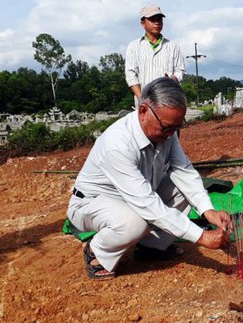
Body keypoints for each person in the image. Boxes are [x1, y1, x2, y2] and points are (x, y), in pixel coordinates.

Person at [67, 77, 231, 279]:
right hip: (91, 204)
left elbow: (184, 171)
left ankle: (151, 247)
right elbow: (147, 204)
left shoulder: (166, 133)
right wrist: (201, 236)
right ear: (143, 111)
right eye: (166, 127)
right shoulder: (118, 145)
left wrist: (208, 211)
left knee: (182, 189)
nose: (171, 135)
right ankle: (97, 253)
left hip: (134, 196)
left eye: (176, 128)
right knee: (134, 223)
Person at [125, 4, 186, 108]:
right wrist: (142, 99)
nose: (157, 22)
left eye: (159, 19)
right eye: (152, 19)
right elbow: (130, 75)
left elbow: (180, 70)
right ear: (143, 23)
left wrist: (173, 80)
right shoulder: (134, 47)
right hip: (144, 104)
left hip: (168, 102)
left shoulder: (172, 46)